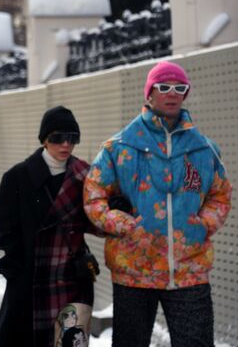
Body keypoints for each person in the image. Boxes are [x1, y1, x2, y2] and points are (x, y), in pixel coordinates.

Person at [83, 60, 232, 347]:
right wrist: (124, 224)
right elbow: (94, 196)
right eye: (164, 87)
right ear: (149, 93)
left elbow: (220, 195)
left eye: (180, 87)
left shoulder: (204, 148)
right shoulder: (119, 148)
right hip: (134, 269)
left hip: (190, 269)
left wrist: (204, 224)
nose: (172, 93)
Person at [0, 106, 101, 347]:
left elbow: (98, 217)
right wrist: (17, 264)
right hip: (31, 278)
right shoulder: (17, 177)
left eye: (72, 139)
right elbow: (4, 227)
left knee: (70, 341)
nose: (65, 145)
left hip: (73, 278)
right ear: (44, 140)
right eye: (57, 138)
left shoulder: (86, 175)